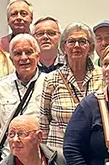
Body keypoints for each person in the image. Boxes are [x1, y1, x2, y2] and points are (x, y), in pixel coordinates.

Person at [39, 22, 102, 153]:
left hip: (94, 153)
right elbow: (44, 121)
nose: (77, 46)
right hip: (59, 154)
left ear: (90, 47)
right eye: (71, 41)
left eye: (82, 41)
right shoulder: (51, 79)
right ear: (64, 47)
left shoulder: (103, 76)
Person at [0, 34, 43, 161]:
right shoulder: (0, 86)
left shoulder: (50, 83)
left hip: (41, 160)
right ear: (11, 58)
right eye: (18, 53)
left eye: (28, 52)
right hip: (8, 160)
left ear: (38, 55)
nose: (24, 58)